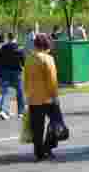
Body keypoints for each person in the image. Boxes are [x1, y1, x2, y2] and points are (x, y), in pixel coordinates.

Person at [23, 34, 61, 162]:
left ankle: (39, 152)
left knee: (37, 127)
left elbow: (26, 79)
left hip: (33, 97)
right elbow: (52, 80)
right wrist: (55, 96)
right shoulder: (48, 59)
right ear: (47, 45)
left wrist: (27, 94)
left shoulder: (29, 59)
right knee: (56, 122)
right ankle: (49, 146)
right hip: (47, 98)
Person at [0, 33, 26, 119]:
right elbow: (23, 59)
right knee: (20, 92)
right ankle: (21, 112)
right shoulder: (19, 47)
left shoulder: (3, 48)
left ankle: (3, 111)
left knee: (5, 92)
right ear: (15, 38)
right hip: (17, 72)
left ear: (8, 38)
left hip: (5, 72)